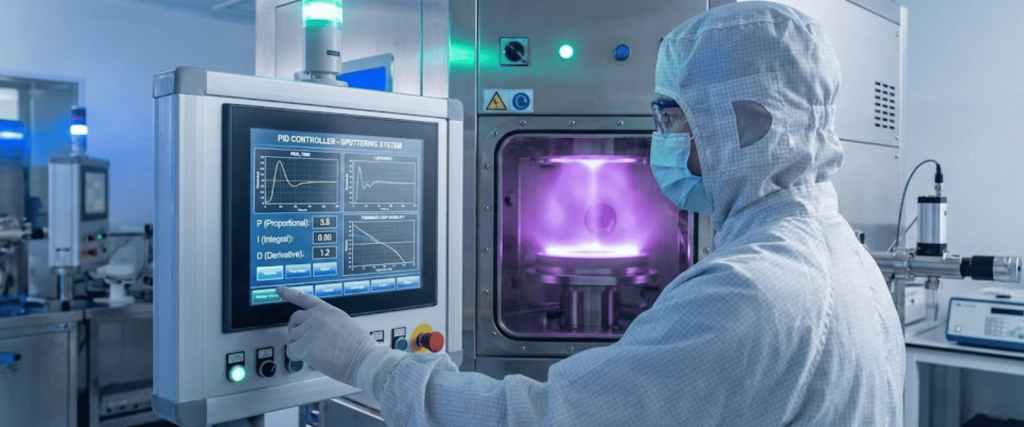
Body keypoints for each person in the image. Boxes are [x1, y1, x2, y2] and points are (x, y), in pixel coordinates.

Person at [277, 1, 906, 425]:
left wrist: (367, 363)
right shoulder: (843, 256)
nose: (661, 138)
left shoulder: (751, 291)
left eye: (672, 118)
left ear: (745, 125)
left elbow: (543, 419)